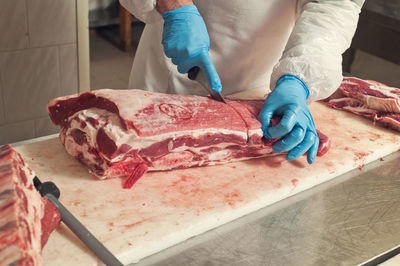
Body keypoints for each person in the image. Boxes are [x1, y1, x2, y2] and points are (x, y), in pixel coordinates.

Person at [119, 0, 364, 164]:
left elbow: (334, 5)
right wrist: (173, 5)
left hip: (258, 84)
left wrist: (299, 76)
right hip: (169, 73)